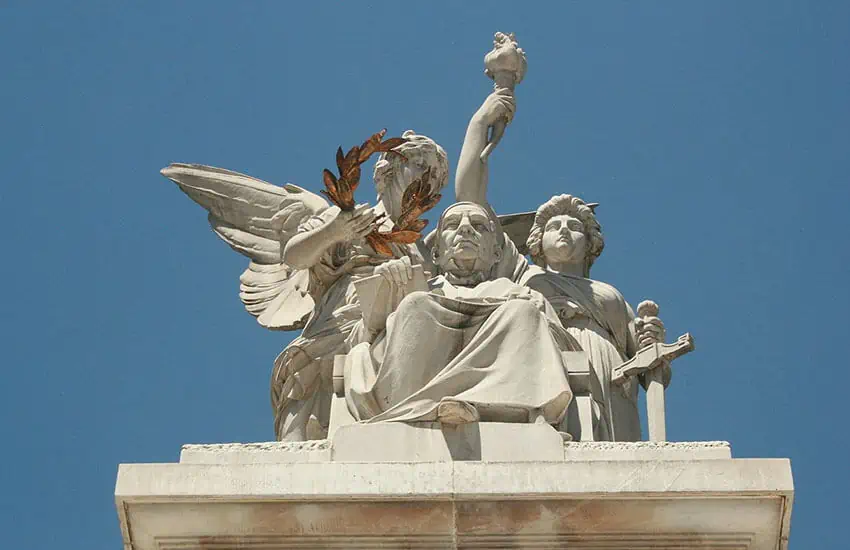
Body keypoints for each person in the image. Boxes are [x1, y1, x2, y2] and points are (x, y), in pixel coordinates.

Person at [271, 131, 449, 440]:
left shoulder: (424, 252)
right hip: (338, 326)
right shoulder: (346, 218)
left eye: (433, 174)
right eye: (420, 164)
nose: (427, 177)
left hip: (395, 339)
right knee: (301, 433)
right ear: (389, 168)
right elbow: (295, 256)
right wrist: (334, 231)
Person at [341, 201, 579, 427]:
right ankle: (422, 406)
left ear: (496, 254)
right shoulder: (416, 288)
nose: (465, 228)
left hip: (503, 385)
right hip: (408, 389)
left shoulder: (521, 294)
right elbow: (360, 341)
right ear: (435, 254)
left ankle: (480, 403)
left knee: (523, 312)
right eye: (453, 225)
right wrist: (387, 290)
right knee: (416, 304)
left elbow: (562, 347)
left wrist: (530, 315)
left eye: (478, 226)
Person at [521, 194, 667, 441]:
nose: (564, 231)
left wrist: (652, 340)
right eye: (554, 227)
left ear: (590, 243)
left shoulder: (609, 294)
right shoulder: (526, 281)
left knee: (609, 438)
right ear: (538, 242)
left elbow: (648, 363)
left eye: (574, 227)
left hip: (605, 364)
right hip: (545, 351)